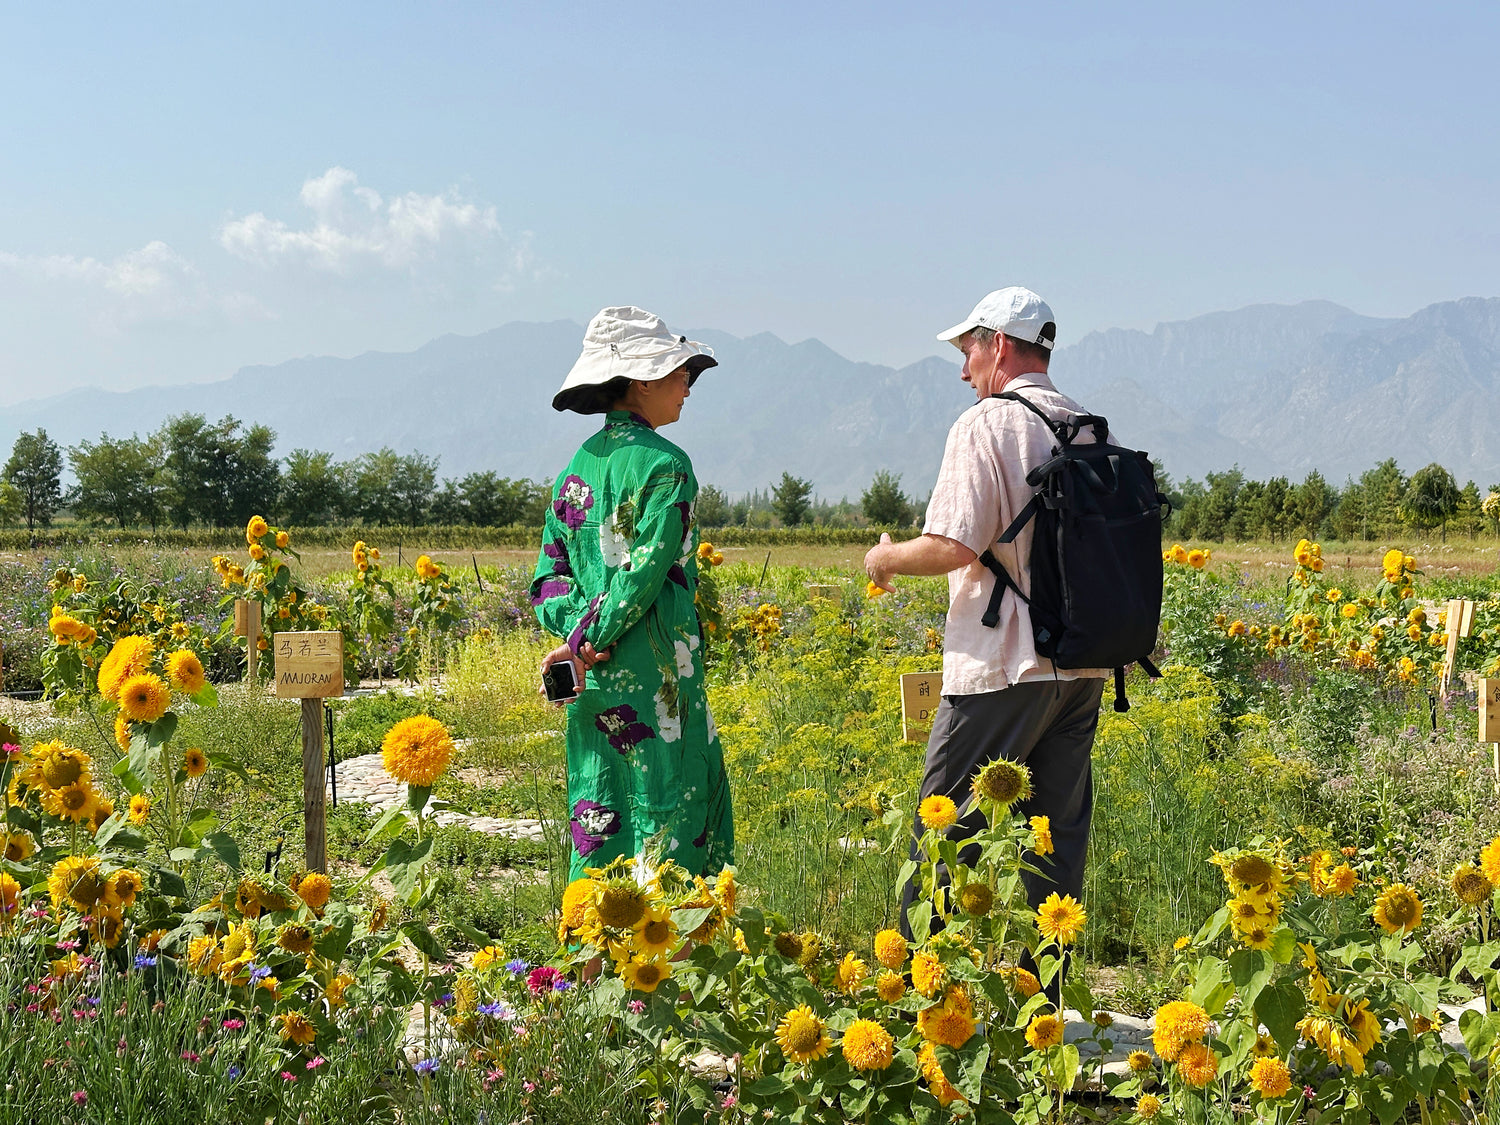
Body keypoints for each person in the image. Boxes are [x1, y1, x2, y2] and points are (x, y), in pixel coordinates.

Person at [864, 287, 1109, 931]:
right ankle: (1041, 1007)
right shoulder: (1086, 425)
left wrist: (883, 560)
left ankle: (930, 998)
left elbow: (952, 545)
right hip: (1081, 668)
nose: (963, 366)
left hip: (1003, 665)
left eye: (968, 348)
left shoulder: (986, 424)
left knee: (945, 831)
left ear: (998, 344)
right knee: (1053, 848)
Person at [531, 306, 734, 883]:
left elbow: (549, 577)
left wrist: (576, 639)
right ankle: (665, 963)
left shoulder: (576, 469)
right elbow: (645, 575)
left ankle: (590, 960)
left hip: (590, 680)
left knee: (598, 810)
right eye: (680, 373)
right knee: (669, 804)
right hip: (656, 675)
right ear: (642, 379)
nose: (688, 387)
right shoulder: (668, 467)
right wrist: (590, 636)